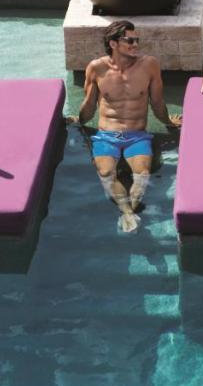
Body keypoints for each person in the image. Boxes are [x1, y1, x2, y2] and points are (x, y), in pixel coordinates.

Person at [69, 21, 182, 232]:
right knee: (106, 173)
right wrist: (79, 120)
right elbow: (90, 104)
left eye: (137, 40)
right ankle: (127, 212)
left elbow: (157, 102)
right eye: (130, 40)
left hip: (137, 135)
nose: (135, 44)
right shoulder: (97, 68)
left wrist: (168, 122)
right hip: (106, 135)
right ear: (113, 44)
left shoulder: (149, 65)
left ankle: (132, 209)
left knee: (142, 173)